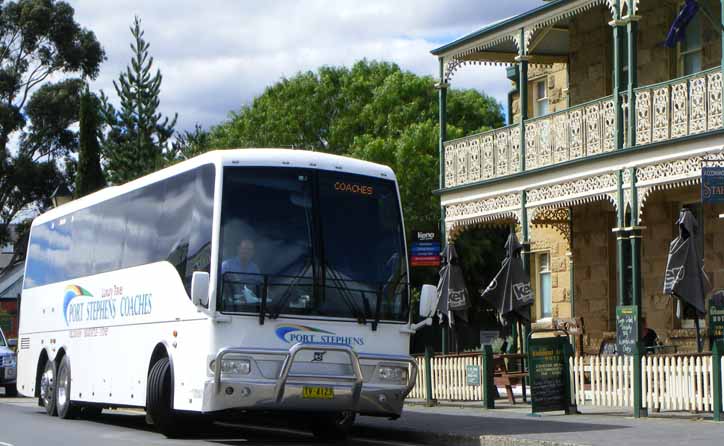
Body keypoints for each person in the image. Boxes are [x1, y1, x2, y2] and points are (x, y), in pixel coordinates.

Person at [221, 239, 262, 306]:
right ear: (238, 249)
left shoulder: (255, 268)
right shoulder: (226, 265)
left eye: (249, 249)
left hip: (251, 306)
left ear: (253, 252)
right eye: (244, 248)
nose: (246, 251)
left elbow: (260, 287)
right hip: (229, 306)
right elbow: (220, 287)